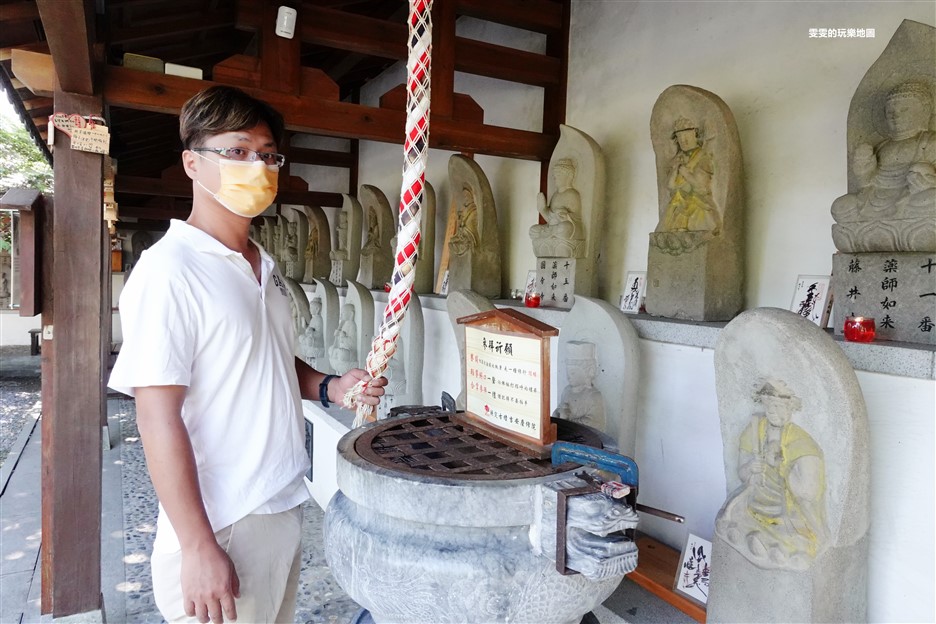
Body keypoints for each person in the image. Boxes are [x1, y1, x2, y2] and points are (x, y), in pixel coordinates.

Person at [108, 85, 386, 624]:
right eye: (236, 151)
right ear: (192, 163)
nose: (256, 165)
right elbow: (156, 414)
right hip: (223, 520)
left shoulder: (262, 263)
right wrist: (196, 546)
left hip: (280, 502)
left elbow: (272, 361)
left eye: (267, 154)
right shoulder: (171, 271)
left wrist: (330, 386)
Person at [714, 380, 828, 570]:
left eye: (778, 405)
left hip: (788, 511)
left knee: (797, 541)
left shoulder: (801, 442)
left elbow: (809, 492)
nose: (772, 410)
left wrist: (783, 468)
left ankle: (778, 549)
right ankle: (760, 543)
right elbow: (741, 473)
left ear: (789, 407)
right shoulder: (754, 429)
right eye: (768, 405)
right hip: (755, 501)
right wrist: (752, 466)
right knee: (729, 518)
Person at [832, 81, 936, 223]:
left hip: (912, 197)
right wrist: (863, 170)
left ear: (924, 110)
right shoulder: (882, 146)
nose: (895, 116)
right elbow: (866, 184)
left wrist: (926, 182)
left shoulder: (929, 142)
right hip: (873, 199)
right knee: (840, 206)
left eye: (904, 110)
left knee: (930, 200)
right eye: (890, 112)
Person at [656, 118, 720, 234]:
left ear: (695, 134)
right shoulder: (677, 159)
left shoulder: (703, 157)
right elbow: (670, 186)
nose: (683, 140)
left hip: (698, 206)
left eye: (687, 135)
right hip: (677, 204)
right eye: (679, 137)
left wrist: (686, 174)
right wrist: (676, 169)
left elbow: (702, 187)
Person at [529, 159, 585, 258]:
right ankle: (551, 236)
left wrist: (565, 215)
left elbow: (576, 217)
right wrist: (542, 209)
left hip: (567, 227)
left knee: (564, 228)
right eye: (554, 176)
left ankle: (553, 237)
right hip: (553, 228)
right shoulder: (555, 195)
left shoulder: (572, 194)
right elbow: (550, 220)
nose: (555, 179)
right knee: (533, 230)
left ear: (569, 176)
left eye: (558, 175)